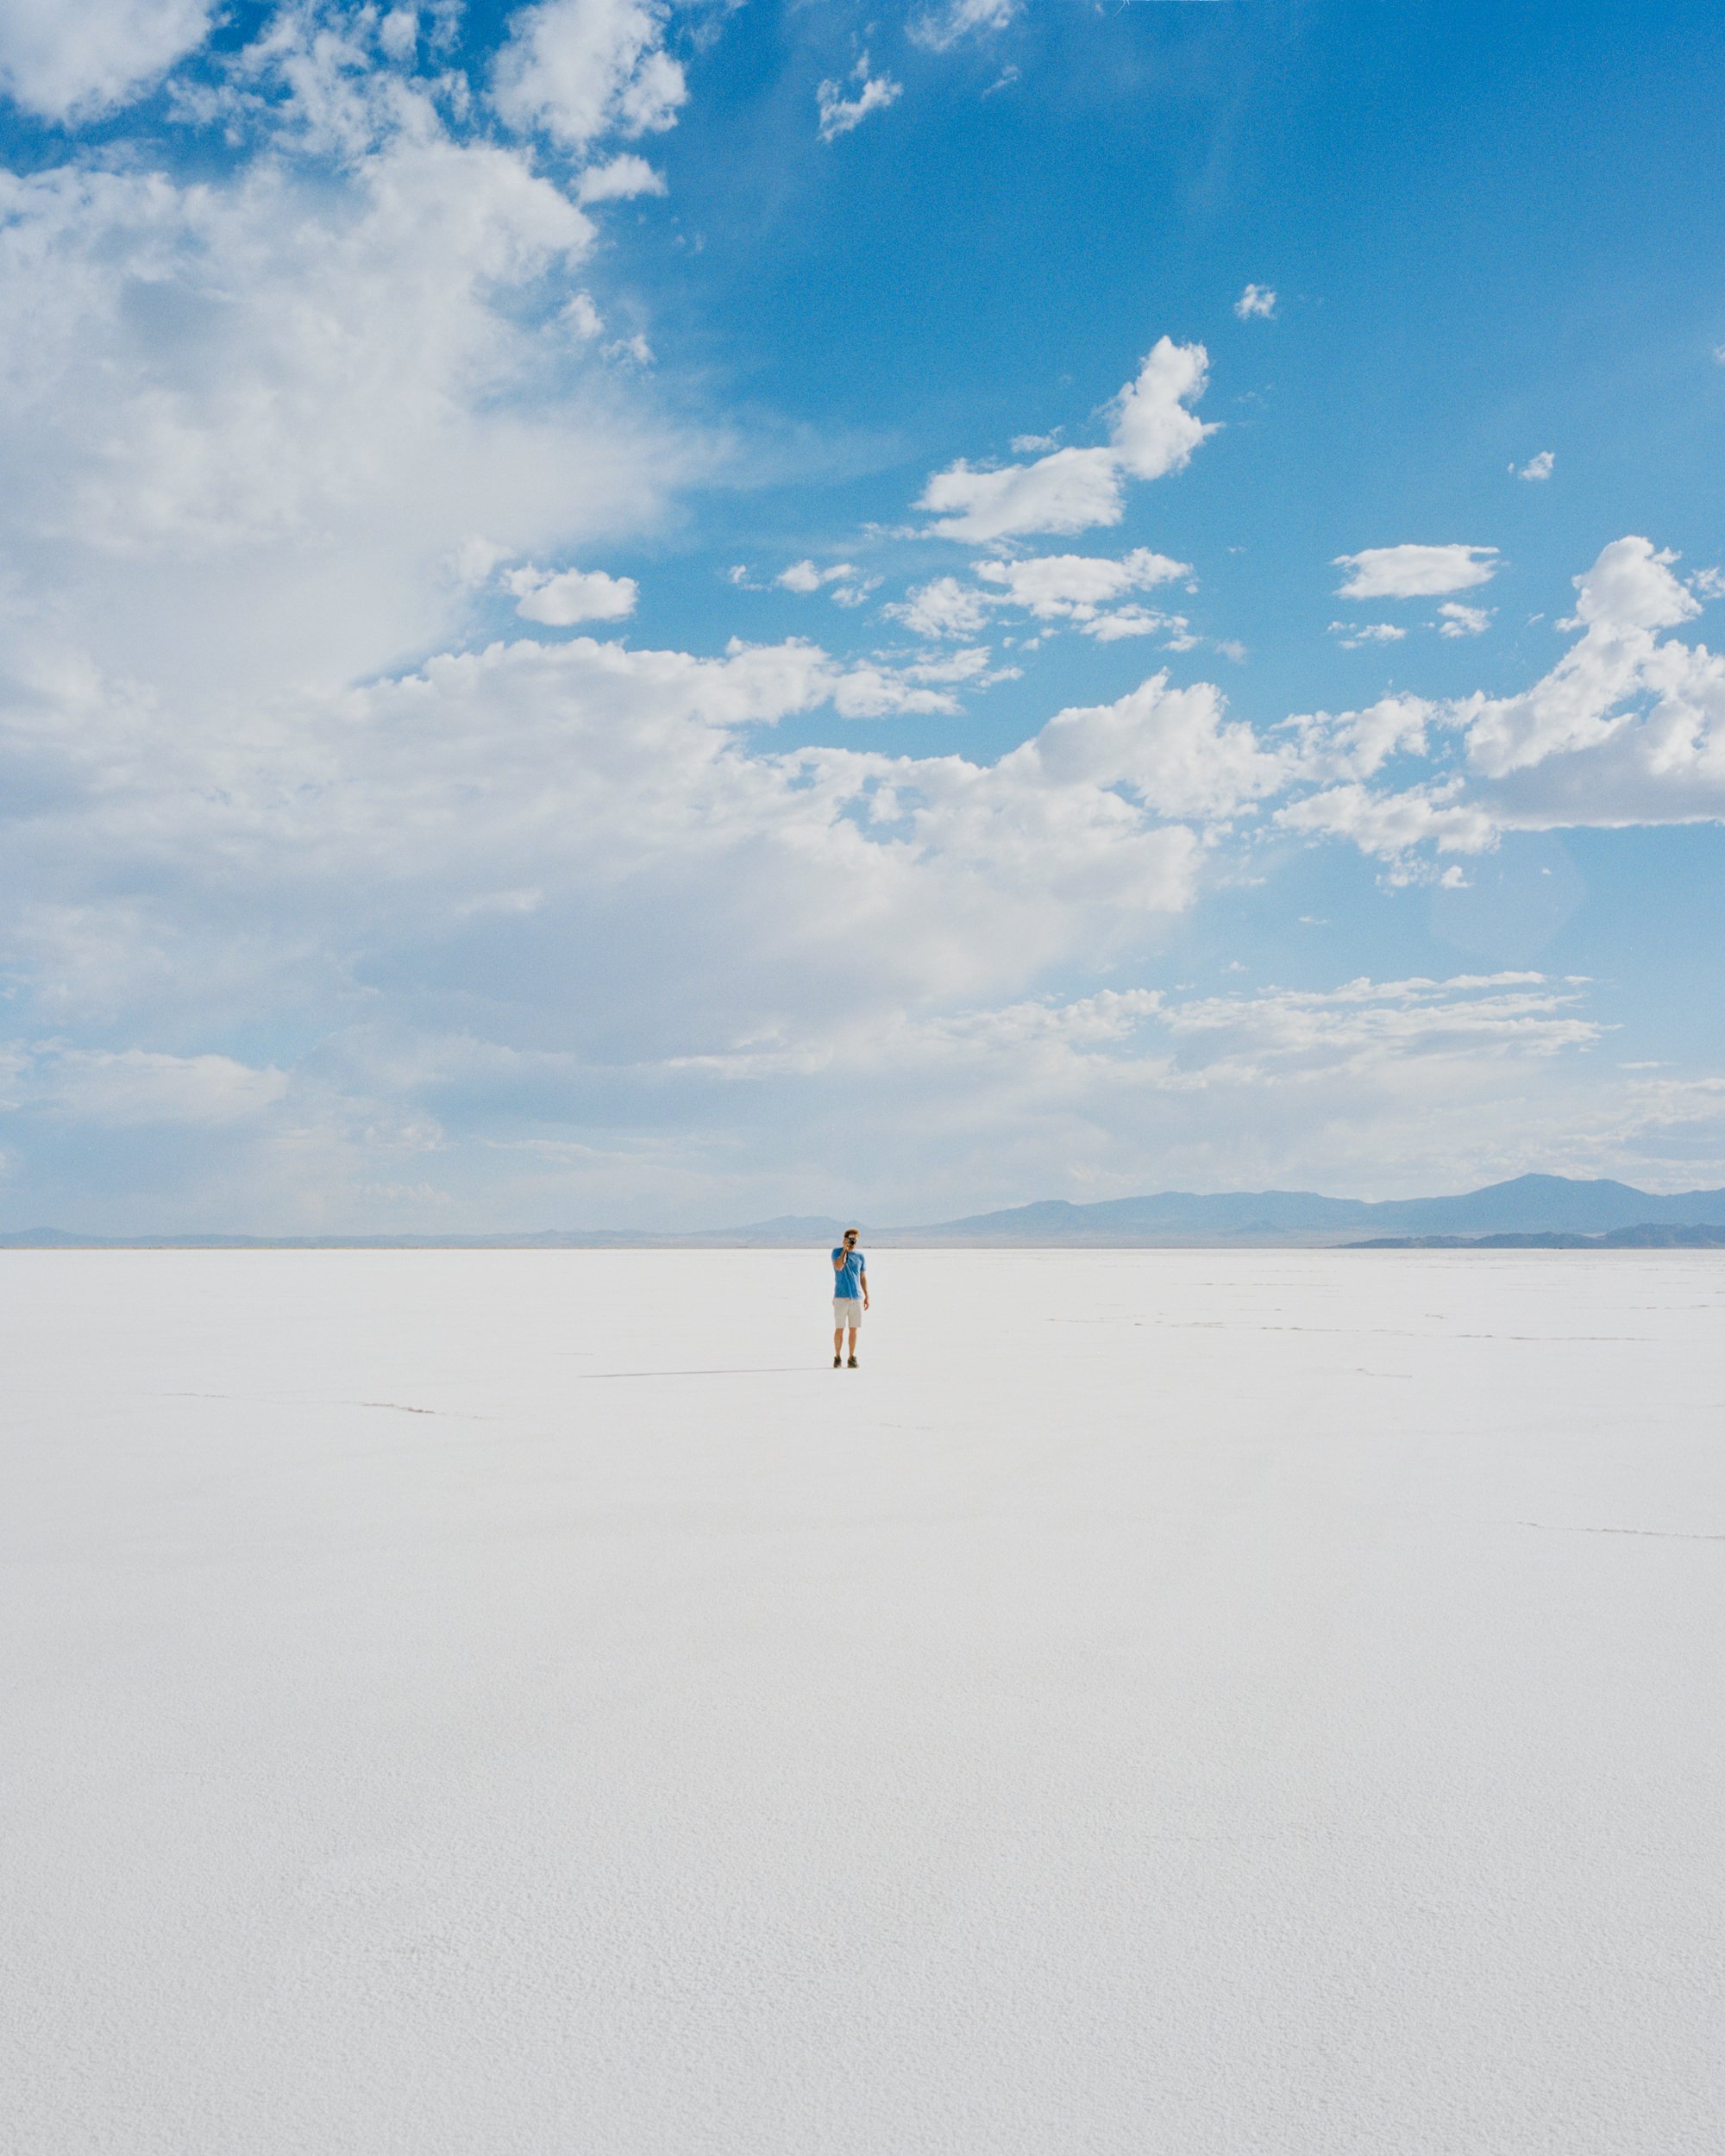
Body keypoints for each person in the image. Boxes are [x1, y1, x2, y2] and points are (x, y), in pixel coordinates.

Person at [831, 1227, 868, 1367]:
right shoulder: (836, 1252)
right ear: (845, 1240)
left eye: (855, 1240)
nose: (853, 1243)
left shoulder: (860, 1256)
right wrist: (844, 1250)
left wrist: (866, 1295)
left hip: (856, 1297)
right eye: (850, 1240)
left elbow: (863, 1277)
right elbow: (839, 1266)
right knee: (839, 1328)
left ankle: (852, 1357)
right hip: (841, 1296)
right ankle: (838, 1357)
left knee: (854, 1329)